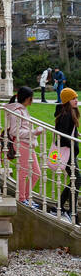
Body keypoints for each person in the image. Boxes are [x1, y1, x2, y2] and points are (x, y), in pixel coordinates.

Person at [5, 85, 41, 207]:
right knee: (24, 172)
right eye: (31, 98)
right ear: (26, 98)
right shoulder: (17, 111)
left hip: (28, 144)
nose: (32, 100)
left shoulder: (23, 109)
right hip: (22, 144)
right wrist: (34, 132)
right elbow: (14, 131)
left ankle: (26, 197)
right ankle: (22, 199)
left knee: (36, 173)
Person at [55, 88, 80, 221]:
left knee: (75, 180)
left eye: (76, 98)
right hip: (67, 154)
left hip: (70, 153)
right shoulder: (66, 115)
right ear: (66, 101)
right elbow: (62, 137)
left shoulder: (71, 112)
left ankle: (61, 206)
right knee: (77, 180)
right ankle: (71, 212)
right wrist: (74, 141)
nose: (76, 100)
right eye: (73, 98)